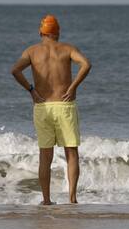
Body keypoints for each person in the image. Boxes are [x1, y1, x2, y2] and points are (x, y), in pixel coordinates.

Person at [10, 14, 91, 205]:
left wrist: (31, 90)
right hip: (64, 105)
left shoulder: (32, 51)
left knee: (45, 155)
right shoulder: (67, 49)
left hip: (42, 106)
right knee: (71, 153)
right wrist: (72, 87)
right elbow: (86, 64)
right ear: (58, 32)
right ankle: (72, 198)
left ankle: (46, 200)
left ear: (41, 32)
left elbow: (15, 70)